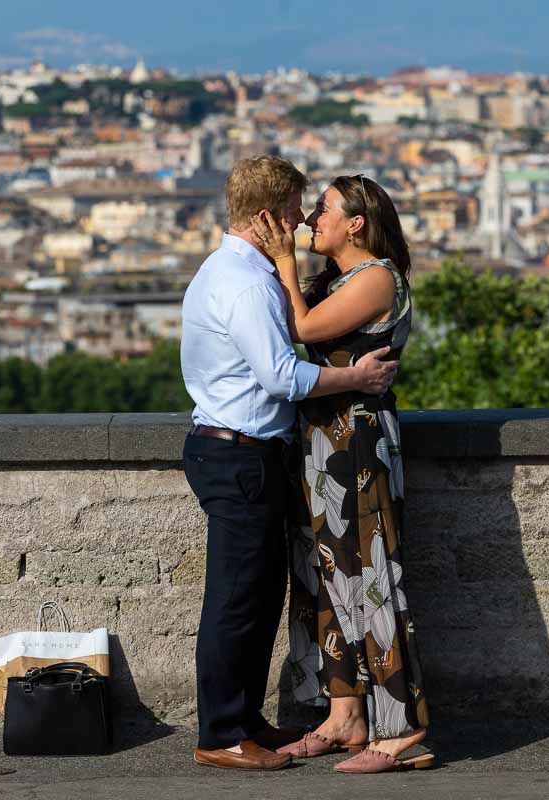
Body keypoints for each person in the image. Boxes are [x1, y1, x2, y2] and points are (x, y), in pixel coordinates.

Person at [181, 157, 399, 771]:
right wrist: (354, 376)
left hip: (241, 450)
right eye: (295, 209)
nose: (303, 221)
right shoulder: (248, 283)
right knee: (234, 600)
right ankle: (223, 733)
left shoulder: (231, 270)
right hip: (239, 452)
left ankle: (244, 723)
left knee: (254, 597)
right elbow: (281, 374)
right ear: (268, 217)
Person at [248, 174, 432, 774]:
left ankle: (401, 727)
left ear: (356, 222)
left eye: (323, 210)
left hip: (359, 444)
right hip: (325, 441)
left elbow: (301, 330)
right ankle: (345, 712)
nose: (311, 222)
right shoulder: (339, 278)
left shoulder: (377, 277)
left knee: (372, 574)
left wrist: (283, 258)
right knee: (324, 576)